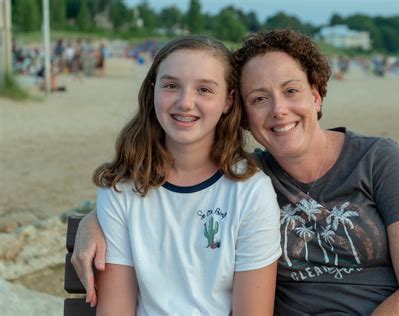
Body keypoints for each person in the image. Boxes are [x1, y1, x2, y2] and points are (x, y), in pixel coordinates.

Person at [72, 29, 399, 315]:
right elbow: (170, 195)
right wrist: (98, 217)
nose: (278, 110)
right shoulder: (257, 177)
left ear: (316, 96)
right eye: (260, 98)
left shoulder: (376, 158)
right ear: (244, 112)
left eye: (291, 91)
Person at [84, 35, 281, 315]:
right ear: (152, 90)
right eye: (172, 85)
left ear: (228, 100)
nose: (185, 102)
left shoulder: (250, 191)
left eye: (204, 89)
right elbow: (116, 308)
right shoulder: (121, 189)